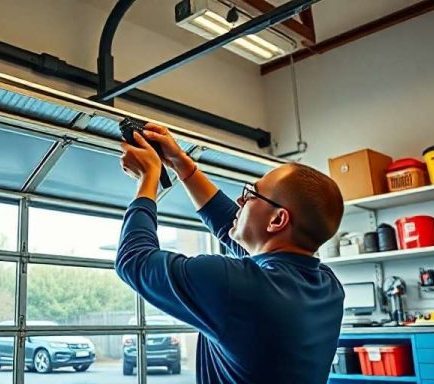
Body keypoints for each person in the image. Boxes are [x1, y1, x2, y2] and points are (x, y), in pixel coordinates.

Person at [116, 123, 345, 384]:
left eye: (251, 194)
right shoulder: (327, 286)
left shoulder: (233, 285)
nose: (240, 200)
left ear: (277, 220)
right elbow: (230, 226)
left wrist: (148, 178)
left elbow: (133, 260)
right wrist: (182, 164)